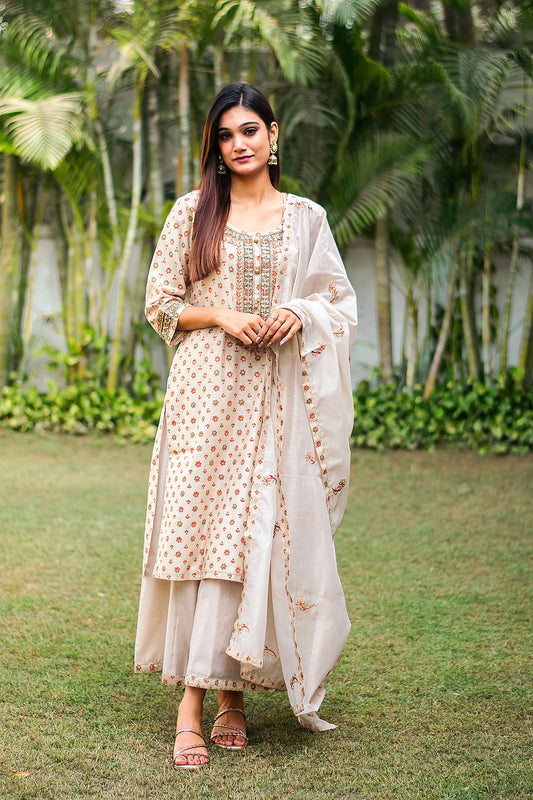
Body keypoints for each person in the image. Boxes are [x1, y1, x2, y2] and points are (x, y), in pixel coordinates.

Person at [134, 83, 357, 770]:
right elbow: (160, 303)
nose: (239, 143)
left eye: (250, 130)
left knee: (255, 535)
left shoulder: (306, 217)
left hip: (277, 399)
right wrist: (224, 315)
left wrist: (301, 313)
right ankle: (192, 708)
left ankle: (232, 697)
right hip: (206, 399)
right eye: (227, 134)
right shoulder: (191, 212)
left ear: (273, 135)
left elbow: (337, 303)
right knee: (205, 538)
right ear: (216, 144)